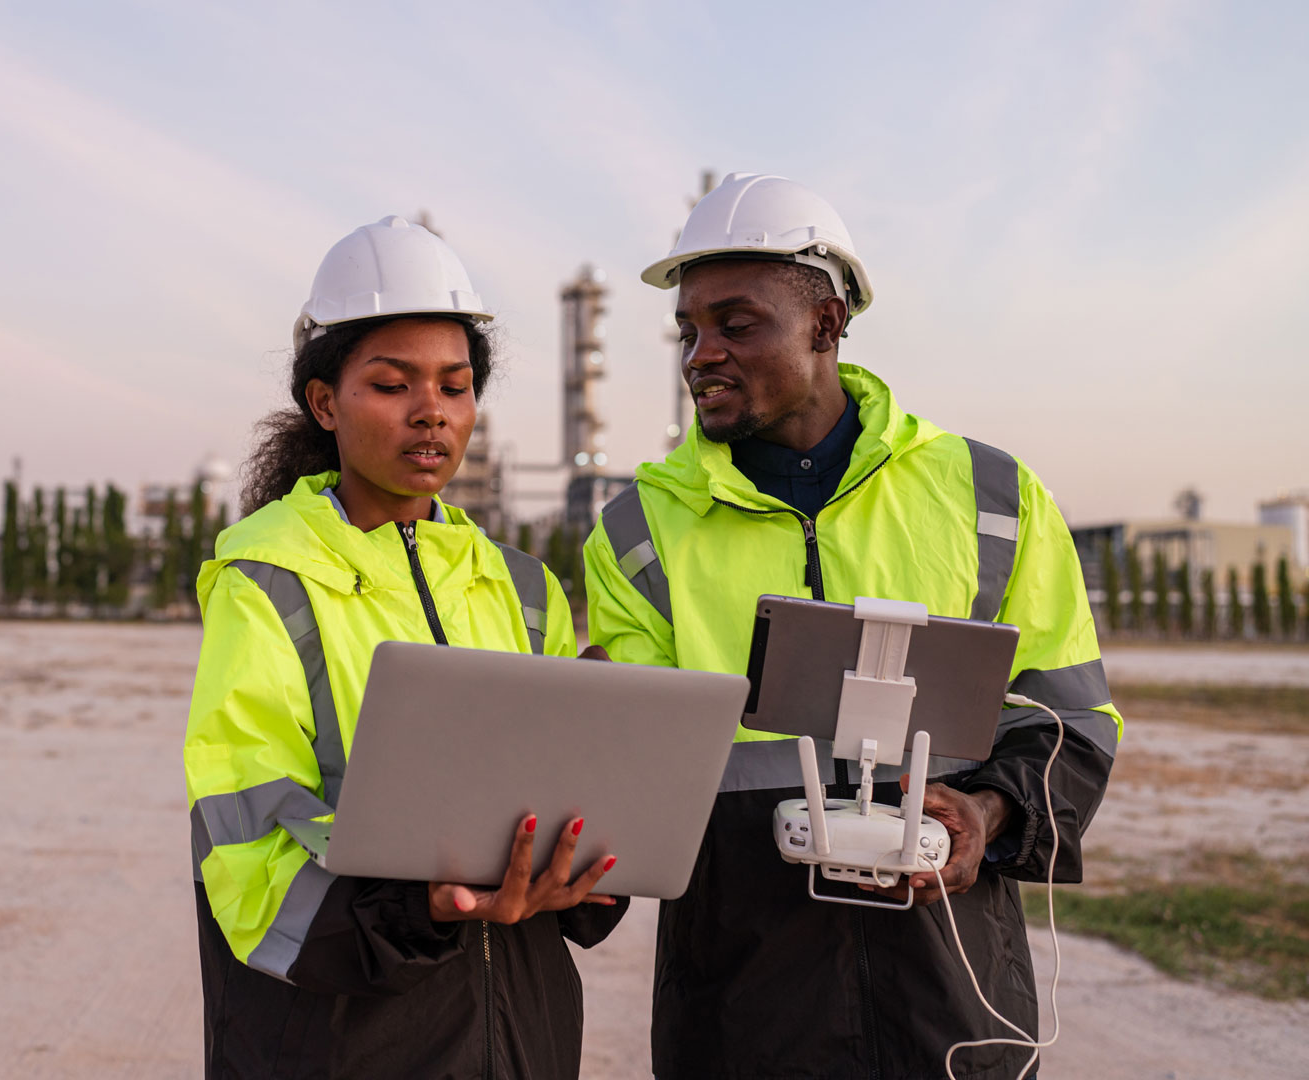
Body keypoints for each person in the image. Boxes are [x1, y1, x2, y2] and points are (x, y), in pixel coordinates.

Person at [584, 174, 1120, 1079]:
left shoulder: (991, 500)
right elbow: (638, 773)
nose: (699, 354)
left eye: (736, 324)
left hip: (952, 998)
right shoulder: (639, 531)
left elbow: (1072, 723)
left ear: (828, 324)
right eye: (689, 330)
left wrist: (985, 814)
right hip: (742, 1007)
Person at [185, 216, 628, 1079]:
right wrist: (415, 907)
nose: (432, 412)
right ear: (325, 402)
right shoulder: (270, 580)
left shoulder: (522, 586)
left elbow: (556, 805)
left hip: (521, 1038)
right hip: (348, 1042)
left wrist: (589, 863)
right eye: (393, 385)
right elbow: (247, 856)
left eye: (456, 387)